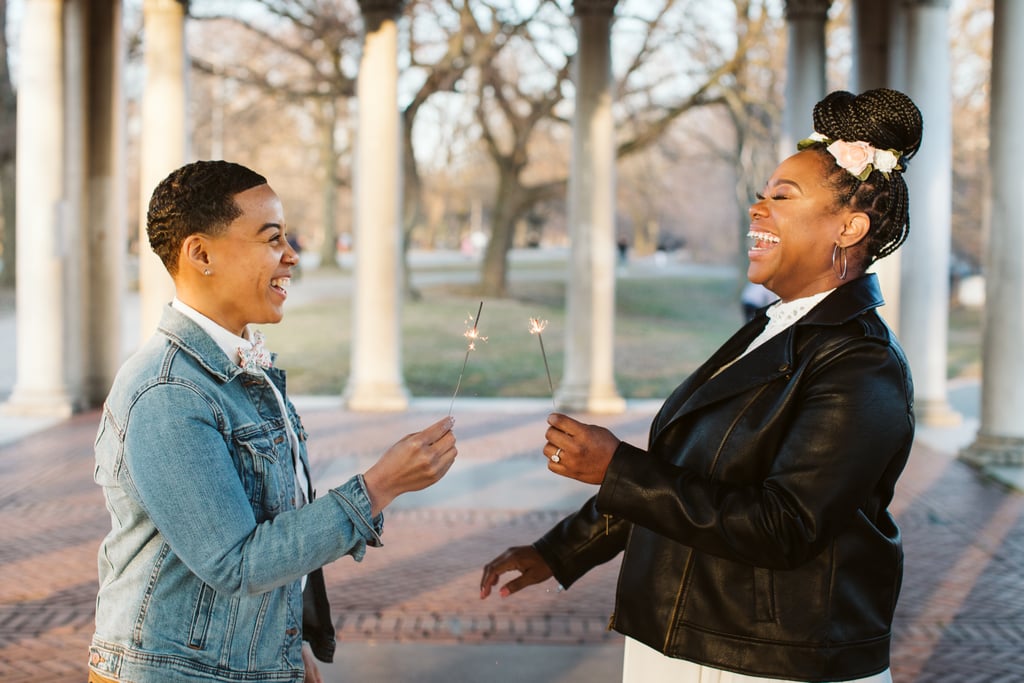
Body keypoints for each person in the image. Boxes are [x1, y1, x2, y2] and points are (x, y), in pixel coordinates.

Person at [480, 88, 921, 683]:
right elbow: (686, 471)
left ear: (850, 226)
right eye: (760, 194)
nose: (757, 209)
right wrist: (561, 551)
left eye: (782, 197)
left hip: (766, 659)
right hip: (681, 642)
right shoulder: (769, 329)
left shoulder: (861, 363)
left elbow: (784, 525)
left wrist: (616, 469)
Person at [89, 161, 458, 683]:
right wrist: (378, 487)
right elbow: (237, 563)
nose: (292, 256)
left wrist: (281, 646)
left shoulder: (239, 371)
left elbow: (269, 526)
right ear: (200, 253)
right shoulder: (169, 392)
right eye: (271, 239)